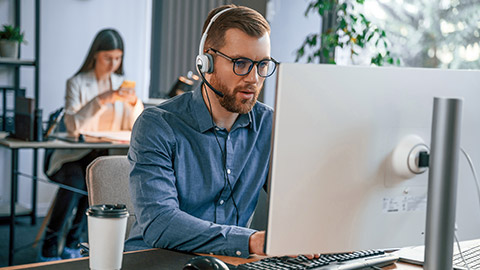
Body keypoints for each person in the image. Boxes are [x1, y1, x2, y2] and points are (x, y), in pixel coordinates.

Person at [125, 5, 277, 257]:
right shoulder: (157, 125)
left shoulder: (268, 124)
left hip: (228, 261)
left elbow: (296, 199)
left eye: (262, 65)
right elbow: (160, 223)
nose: (253, 78)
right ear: (206, 62)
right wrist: (250, 241)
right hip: (156, 260)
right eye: (241, 63)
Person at [41, 28, 143, 261]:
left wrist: (135, 103)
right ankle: (49, 244)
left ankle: (73, 243)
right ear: (95, 55)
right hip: (73, 156)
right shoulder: (77, 83)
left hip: (105, 155)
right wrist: (101, 100)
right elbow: (73, 126)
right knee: (77, 181)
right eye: (108, 58)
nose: (113, 64)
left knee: (98, 181)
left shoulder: (121, 84)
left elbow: (134, 126)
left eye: (118, 58)